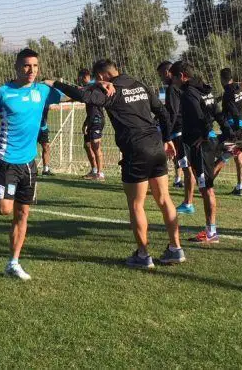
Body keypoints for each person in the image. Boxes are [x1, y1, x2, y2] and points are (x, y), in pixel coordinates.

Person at [46, 59, 185, 268]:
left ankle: (143, 254)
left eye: (96, 78)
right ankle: (176, 249)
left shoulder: (112, 91)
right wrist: (167, 138)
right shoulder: (139, 84)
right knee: (164, 199)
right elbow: (164, 112)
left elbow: (82, 95)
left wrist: (55, 83)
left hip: (136, 150)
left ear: (101, 76)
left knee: (136, 204)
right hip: (157, 147)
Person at [0, 48, 64, 280]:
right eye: (27, 66)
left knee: (23, 213)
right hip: (6, 159)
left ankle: (13, 262)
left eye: (35, 66)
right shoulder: (2, 92)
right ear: (17, 67)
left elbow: (73, 93)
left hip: (29, 162)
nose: (31, 70)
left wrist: (100, 86)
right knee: (4, 210)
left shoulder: (43, 91)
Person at [170, 61, 221, 244]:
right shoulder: (204, 88)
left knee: (206, 188)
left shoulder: (188, 93)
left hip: (201, 145)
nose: (172, 81)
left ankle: (210, 233)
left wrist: (205, 135)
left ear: (182, 76)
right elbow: (215, 111)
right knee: (206, 186)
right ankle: (210, 231)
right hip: (207, 142)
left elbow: (202, 116)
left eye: (174, 77)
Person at [157, 61, 196, 214]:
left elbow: (172, 113)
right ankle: (187, 201)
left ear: (168, 72)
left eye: (162, 75)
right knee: (186, 167)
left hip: (179, 133)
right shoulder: (181, 88)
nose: (161, 78)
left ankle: (188, 203)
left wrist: (166, 135)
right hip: (184, 130)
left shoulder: (172, 89)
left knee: (187, 169)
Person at [213, 67, 242, 196]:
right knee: (239, 157)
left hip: (232, 128)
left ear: (222, 79)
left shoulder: (228, 92)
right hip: (241, 126)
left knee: (224, 156)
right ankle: (240, 187)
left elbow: (229, 111)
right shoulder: (239, 88)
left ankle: (207, 184)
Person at [77, 68, 106, 180]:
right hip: (90, 119)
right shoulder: (87, 88)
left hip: (97, 119)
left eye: (81, 78)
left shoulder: (95, 86)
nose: (80, 80)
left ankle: (100, 173)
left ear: (86, 76)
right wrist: (86, 122)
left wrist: (82, 89)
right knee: (87, 145)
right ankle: (94, 170)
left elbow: (96, 86)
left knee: (96, 146)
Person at [36, 106, 55, 176]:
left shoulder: (46, 98)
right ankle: (33, 169)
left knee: (46, 147)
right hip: (32, 127)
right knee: (31, 147)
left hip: (43, 127)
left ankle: (46, 169)